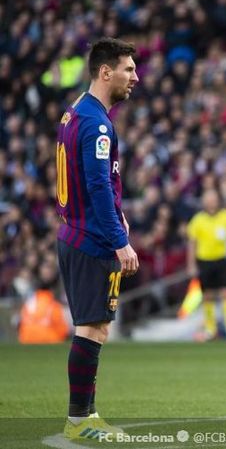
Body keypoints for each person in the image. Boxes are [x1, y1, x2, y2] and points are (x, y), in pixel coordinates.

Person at [56, 38, 140, 439]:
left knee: (95, 327)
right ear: (105, 72)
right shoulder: (96, 124)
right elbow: (96, 185)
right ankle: (79, 421)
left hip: (75, 230)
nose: (134, 77)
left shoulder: (76, 114)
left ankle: (86, 417)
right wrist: (119, 239)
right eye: (128, 69)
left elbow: (96, 181)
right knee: (92, 328)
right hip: (91, 238)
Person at [187, 189, 226, 340]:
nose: (211, 201)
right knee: (207, 295)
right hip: (204, 260)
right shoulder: (198, 219)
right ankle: (210, 330)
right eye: (208, 199)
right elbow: (192, 243)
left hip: (221, 260)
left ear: (218, 200)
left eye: (213, 198)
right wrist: (191, 264)